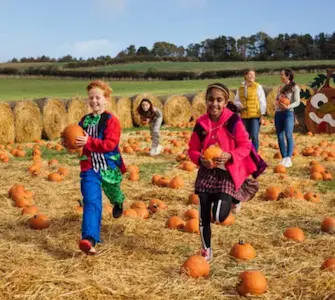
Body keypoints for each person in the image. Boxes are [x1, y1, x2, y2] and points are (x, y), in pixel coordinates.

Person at [188, 83, 265, 261]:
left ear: (225, 102)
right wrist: (200, 158)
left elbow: (246, 146)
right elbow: (192, 149)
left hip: (227, 173)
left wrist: (230, 155)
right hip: (207, 173)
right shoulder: (201, 123)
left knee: (218, 216)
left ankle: (235, 197)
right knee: (203, 212)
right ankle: (206, 250)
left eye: (219, 100)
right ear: (206, 100)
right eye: (210, 99)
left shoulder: (233, 121)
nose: (214, 104)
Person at [75, 80, 127, 255]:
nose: (94, 101)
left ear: (106, 99)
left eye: (98, 97)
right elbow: (75, 138)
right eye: (91, 98)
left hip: (109, 167)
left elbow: (110, 144)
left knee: (113, 192)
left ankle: (118, 201)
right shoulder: (84, 121)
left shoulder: (112, 121)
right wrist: (69, 141)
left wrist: (88, 141)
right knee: (92, 200)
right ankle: (89, 238)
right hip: (89, 168)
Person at [234, 69, 267, 152]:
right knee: (245, 136)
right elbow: (236, 100)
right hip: (244, 115)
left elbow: (262, 101)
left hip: (255, 115)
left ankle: (254, 155)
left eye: (253, 75)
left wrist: (262, 115)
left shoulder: (258, 86)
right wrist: (239, 105)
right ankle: (246, 154)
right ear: (245, 76)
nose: (252, 76)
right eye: (250, 74)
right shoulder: (240, 88)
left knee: (255, 136)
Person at [275, 69, 301, 168]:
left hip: (288, 113)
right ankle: (284, 157)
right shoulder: (280, 87)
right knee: (280, 135)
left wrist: (288, 106)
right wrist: (276, 103)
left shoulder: (295, 87)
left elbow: (297, 102)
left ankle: (289, 158)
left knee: (288, 134)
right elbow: (278, 99)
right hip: (278, 113)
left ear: (288, 76)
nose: (280, 76)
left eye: (282, 74)